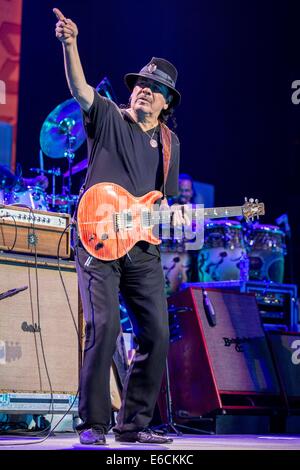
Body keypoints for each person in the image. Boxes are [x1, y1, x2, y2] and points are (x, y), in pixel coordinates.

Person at [53, 8, 187, 445]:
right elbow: (80, 89)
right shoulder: (109, 116)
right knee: (106, 326)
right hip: (96, 236)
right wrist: (71, 44)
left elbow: (160, 200)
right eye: (142, 85)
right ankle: (93, 424)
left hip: (140, 247)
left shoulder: (169, 143)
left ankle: (134, 425)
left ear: (166, 103)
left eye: (155, 89)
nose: (145, 91)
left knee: (157, 333)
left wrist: (176, 217)